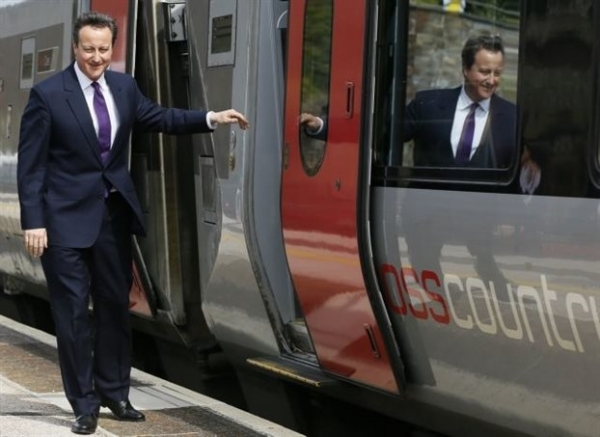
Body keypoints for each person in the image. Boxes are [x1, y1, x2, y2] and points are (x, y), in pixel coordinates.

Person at [17, 11, 248, 435]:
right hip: (63, 224)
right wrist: (34, 222)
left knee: (114, 309)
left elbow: (160, 118)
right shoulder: (47, 95)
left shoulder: (124, 88)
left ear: (113, 48)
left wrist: (211, 118)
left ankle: (115, 393)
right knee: (73, 316)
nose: (96, 57)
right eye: (89, 49)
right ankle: (84, 405)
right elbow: (31, 167)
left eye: (104, 49)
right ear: (75, 48)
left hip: (113, 220)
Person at [404, 33, 516, 168]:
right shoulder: (427, 105)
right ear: (466, 69)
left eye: (497, 73)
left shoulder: (513, 118)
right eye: (485, 72)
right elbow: (387, 136)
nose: (491, 81)